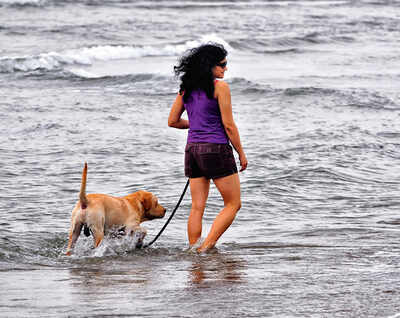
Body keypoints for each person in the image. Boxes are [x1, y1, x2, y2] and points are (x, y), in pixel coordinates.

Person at [168, 43, 248, 252]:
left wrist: (195, 124)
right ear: (209, 66)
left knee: (197, 207)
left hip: (192, 150)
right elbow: (228, 125)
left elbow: (173, 121)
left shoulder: (186, 89)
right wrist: (241, 153)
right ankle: (205, 247)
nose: (225, 68)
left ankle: (194, 249)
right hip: (216, 149)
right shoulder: (220, 87)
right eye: (222, 64)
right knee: (233, 204)